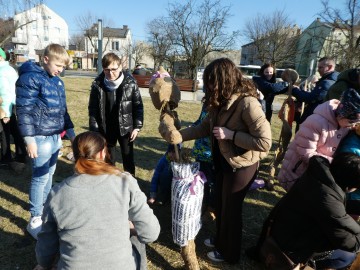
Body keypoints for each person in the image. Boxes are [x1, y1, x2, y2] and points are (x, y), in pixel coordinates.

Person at [169, 58, 272, 263]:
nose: (208, 87)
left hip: (242, 166)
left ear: (225, 80)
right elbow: (204, 128)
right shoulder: (219, 100)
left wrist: (231, 135)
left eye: (211, 82)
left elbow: (265, 142)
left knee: (231, 210)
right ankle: (220, 241)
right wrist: (178, 135)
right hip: (224, 162)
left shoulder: (247, 103)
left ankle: (229, 253)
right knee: (221, 205)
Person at [33, 131, 160, 270]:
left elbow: (46, 245)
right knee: (136, 236)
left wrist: (43, 264)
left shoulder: (56, 193)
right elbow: (150, 233)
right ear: (102, 153)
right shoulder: (125, 181)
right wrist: (128, 225)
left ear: (74, 155)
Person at [248, 153, 360, 270]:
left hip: (278, 231)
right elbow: (348, 242)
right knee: (347, 256)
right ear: (348, 186)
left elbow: (335, 207)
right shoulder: (329, 200)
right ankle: (304, 266)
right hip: (290, 249)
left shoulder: (318, 176)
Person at [16, 44, 75, 240]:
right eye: (58, 64)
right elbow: (23, 111)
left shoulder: (57, 82)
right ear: (46, 59)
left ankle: (46, 208)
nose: (61, 69)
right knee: (40, 177)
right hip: (40, 138)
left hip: (54, 137)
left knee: (50, 174)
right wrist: (29, 139)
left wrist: (72, 135)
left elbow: (63, 111)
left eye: (63, 66)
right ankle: (35, 217)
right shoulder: (30, 78)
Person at [277, 88, 360, 191]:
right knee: (295, 200)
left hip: (317, 172)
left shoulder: (345, 126)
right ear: (342, 115)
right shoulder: (316, 122)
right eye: (351, 122)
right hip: (298, 171)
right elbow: (305, 152)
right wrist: (336, 163)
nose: (353, 126)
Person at [89, 52, 144, 175]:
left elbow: (138, 106)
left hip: (126, 128)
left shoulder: (131, 83)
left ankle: (130, 183)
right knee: (109, 159)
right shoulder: (97, 85)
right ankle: (111, 183)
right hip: (106, 128)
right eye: (106, 70)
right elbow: (92, 109)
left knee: (128, 158)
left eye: (114, 69)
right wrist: (95, 129)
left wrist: (137, 127)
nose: (110, 73)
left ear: (120, 67)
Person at [0, 48, 27, 169]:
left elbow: (4, 92)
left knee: (4, 133)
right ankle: (21, 154)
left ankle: (6, 158)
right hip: (12, 104)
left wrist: (5, 112)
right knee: (15, 131)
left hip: (5, 106)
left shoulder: (2, 71)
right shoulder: (9, 68)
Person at [292, 56, 339, 125]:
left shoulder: (327, 83)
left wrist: (294, 90)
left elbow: (310, 98)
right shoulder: (332, 81)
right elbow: (314, 95)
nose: (318, 70)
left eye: (320, 67)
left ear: (329, 67)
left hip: (315, 120)